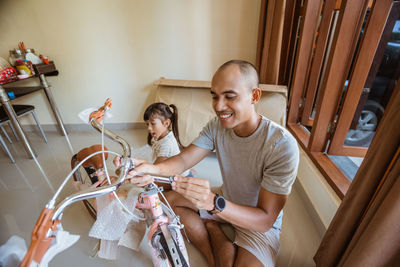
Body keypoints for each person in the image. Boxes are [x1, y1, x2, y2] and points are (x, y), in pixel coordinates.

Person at [118, 60, 299, 266]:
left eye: (229, 96)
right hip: (225, 197)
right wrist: (152, 169)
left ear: (254, 96)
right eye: (214, 96)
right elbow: (185, 159)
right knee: (168, 201)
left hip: (255, 221)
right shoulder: (217, 126)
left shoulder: (281, 145)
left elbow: (265, 220)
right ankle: (212, 248)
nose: (218, 106)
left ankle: (212, 224)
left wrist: (214, 204)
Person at [143, 102, 192, 177]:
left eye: (153, 124)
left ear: (166, 123)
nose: (149, 128)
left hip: (180, 177)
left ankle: (189, 173)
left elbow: (156, 168)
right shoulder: (157, 135)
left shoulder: (167, 144)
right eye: (147, 124)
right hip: (170, 169)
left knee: (149, 180)